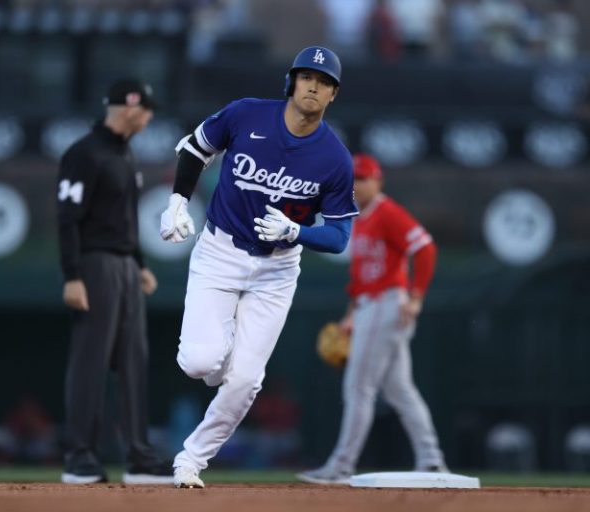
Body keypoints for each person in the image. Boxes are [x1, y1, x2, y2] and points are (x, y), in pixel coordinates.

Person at [159, 46, 358, 488]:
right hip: (220, 252)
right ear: (291, 82)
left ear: (333, 95)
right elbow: (195, 148)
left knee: (246, 380)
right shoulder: (247, 114)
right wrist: (177, 203)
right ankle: (222, 350)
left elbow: (340, 236)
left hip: (277, 270)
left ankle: (191, 460)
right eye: (307, 77)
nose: (313, 87)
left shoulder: (335, 158)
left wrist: (296, 231)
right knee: (199, 363)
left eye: (324, 82)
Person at [297, 154, 447, 485]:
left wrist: (417, 296)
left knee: (358, 387)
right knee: (400, 391)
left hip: (386, 303)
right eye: (352, 179)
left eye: (363, 179)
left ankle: (341, 465)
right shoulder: (359, 218)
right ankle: (431, 459)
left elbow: (425, 247)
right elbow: (361, 275)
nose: (356, 185)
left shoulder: (386, 211)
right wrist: (351, 315)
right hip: (369, 305)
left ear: (378, 181)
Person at [57, 78, 173, 485]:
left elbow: (125, 220)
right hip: (94, 265)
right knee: (90, 360)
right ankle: (79, 456)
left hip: (124, 266)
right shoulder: (84, 153)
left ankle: (139, 456)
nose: (150, 117)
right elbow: (67, 219)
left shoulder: (125, 154)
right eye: (148, 110)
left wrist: (139, 263)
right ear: (131, 108)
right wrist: (72, 276)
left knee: (133, 361)